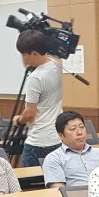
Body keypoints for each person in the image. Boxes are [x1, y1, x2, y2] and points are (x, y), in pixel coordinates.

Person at [12, 30, 63, 167]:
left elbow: (30, 114)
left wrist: (19, 120)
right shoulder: (56, 65)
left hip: (38, 140)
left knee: (29, 179)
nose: (23, 58)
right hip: (57, 137)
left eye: (24, 54)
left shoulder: (35, 78)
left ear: (34, 53)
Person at [41, 111, 99, 188]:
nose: (79, 132)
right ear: (61, 135)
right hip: (78, 195)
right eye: (73, 129)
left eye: (82, 127)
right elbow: (59, 191)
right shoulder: (54, 158)